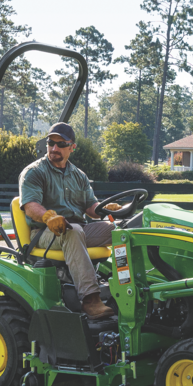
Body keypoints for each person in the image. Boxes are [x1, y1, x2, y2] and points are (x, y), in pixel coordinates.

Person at [18, 122, 120, 320]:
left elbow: (91, 208)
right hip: (46, 233)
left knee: (119, 230)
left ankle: (127, 286)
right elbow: (30, 206)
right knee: (71, 231)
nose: (54, 148)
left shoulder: (79, 175)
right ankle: (90, 300)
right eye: (51, 143)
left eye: (61, 144)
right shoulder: (35, 172)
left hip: (78, 228)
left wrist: (108, 209)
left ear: (72, 147)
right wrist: (49, 217)